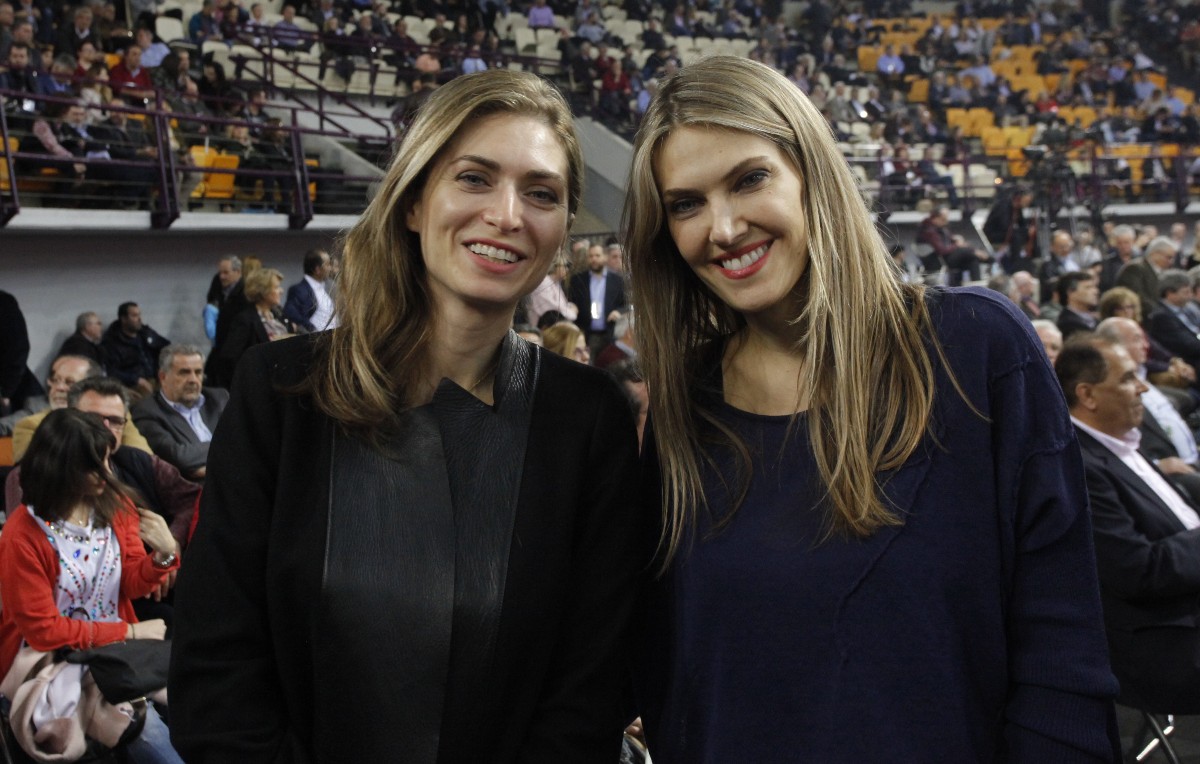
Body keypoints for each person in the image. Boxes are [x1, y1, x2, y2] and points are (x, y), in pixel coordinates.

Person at [624, 56, 1119, 760]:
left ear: (812, 174)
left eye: (750, 179)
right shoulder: (684, 410)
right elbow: (673, 671)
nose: (723, 227)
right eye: (686, 204)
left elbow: (1062, 654)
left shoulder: (976, 349)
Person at [169, 69, 644, 761]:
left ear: (563, 231)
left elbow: (591, 688)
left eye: (541, 193)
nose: (507, 215)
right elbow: (216, 671)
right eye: (474, 178)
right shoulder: (281, 391)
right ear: (415, 202)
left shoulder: (590, 418)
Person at [0, 408, 181, 763]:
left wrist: (163, 554)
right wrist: (129, 631)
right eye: (93, 466)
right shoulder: (22, 534)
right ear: (59, 468)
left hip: (114, 651)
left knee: (196, 703)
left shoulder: (115, 504)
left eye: (107, 460)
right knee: (151, 738)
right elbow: (44, 632)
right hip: (48, 661)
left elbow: (130, 583)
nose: (107, 474)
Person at [1058, 337, 1200, 713]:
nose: (1142, 388)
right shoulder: (1081, 467)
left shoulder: (1122, 445)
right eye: (1127, 378)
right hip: (1170, 640)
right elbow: (1138, 570)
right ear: (1088, 395)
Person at [131, 345, 229, 481]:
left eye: (198, 372)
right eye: (184, 373)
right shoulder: (147, 411)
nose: (193, 380)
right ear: (163, 377)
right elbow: (179, 457)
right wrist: (229, 445)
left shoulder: (220, 398)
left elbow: (247, 441)